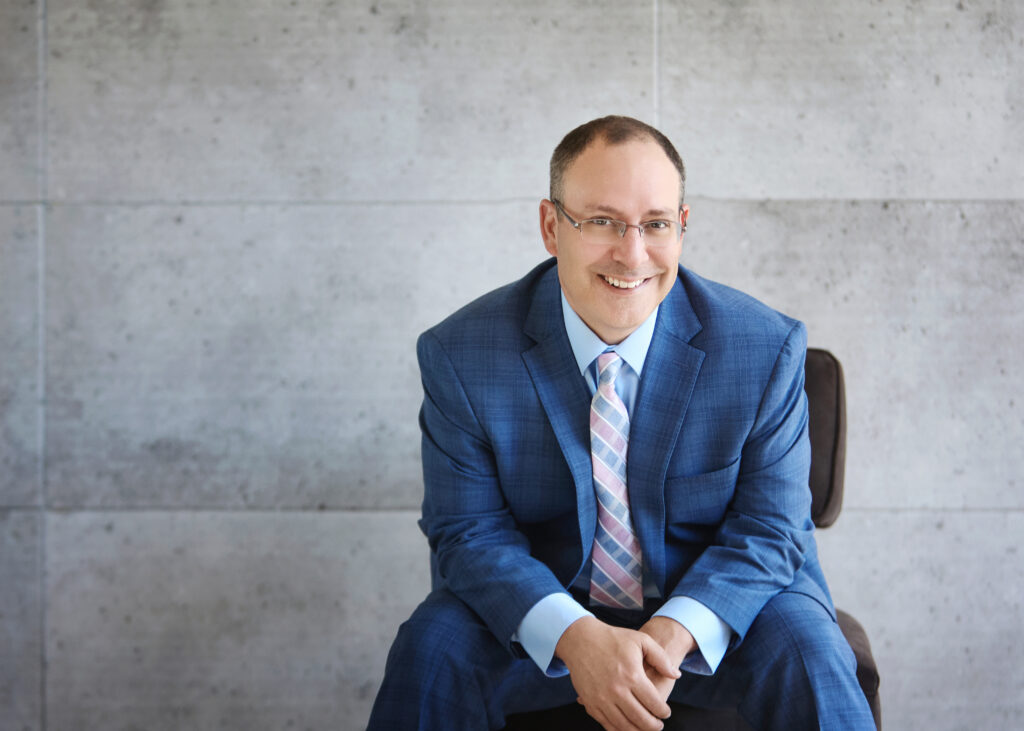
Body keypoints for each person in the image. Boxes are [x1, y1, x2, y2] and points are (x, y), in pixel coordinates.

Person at [368, 116, 875, 731]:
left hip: (723, 613)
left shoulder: (765, 348)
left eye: (656, 224)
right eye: (602, 221)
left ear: (682, 227)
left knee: (810, 646)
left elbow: (770, 531)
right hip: (546, 615)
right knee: (432, 646)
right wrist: (579, 638)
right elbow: (468, 533)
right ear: (552, 227)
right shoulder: (461, 354)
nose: (632, 253)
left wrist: (673, 631)